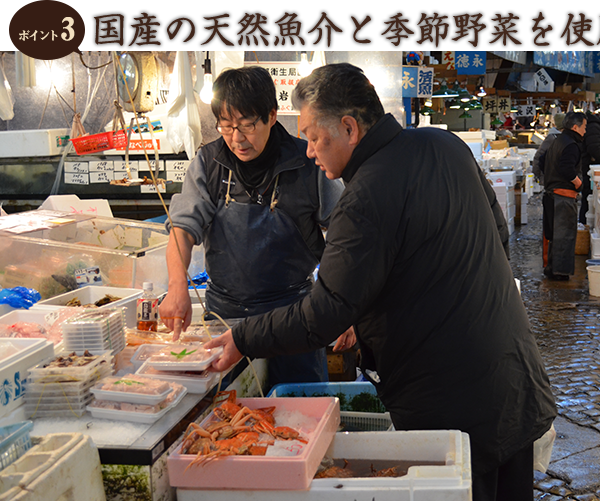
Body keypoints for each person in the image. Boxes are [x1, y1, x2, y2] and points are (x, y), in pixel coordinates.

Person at [208, 63, 556, 501]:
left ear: (350, 128)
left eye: (315, 137)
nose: (311, 151)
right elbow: (496, 231)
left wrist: (244, 337)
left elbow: (324, 314)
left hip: (450, 403)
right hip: (512, 376)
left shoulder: (364, 196)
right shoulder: (444, 144)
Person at [159, 66, 344, 388]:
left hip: (294, 317)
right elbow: (183, 228)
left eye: (246, 125)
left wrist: (342, 306)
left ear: (271, 116)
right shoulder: (208, 162)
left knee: (300, 408)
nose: (236, 138)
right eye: (227, 126)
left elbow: (344, 237)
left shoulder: (308, 162)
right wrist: (178, 286)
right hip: (223, 316)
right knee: (227, 410)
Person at [542, 112, 587, 280]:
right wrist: (578, 184)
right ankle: (560, 272)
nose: (585, 131)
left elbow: (541, 161)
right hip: (563, 196)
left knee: (552, 235)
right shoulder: (571, 145)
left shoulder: (557, 140)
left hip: (551, 194)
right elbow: (567, 169)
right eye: (584, 127)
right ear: (575, 127)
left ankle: (550, 268)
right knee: (564, 236)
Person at [578, 111, 600, 225]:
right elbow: (593, 148)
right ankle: (583, 225)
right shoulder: (594, 128)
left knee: (587, 198)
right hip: (587, 167)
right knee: (587, 197)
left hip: (587, 166)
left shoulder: (594, 126)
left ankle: (584, 224)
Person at [532, 112, 565, 186]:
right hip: (550, 179)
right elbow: (538, 156)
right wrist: (539, 175)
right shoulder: (552, 138)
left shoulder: (563, 137)